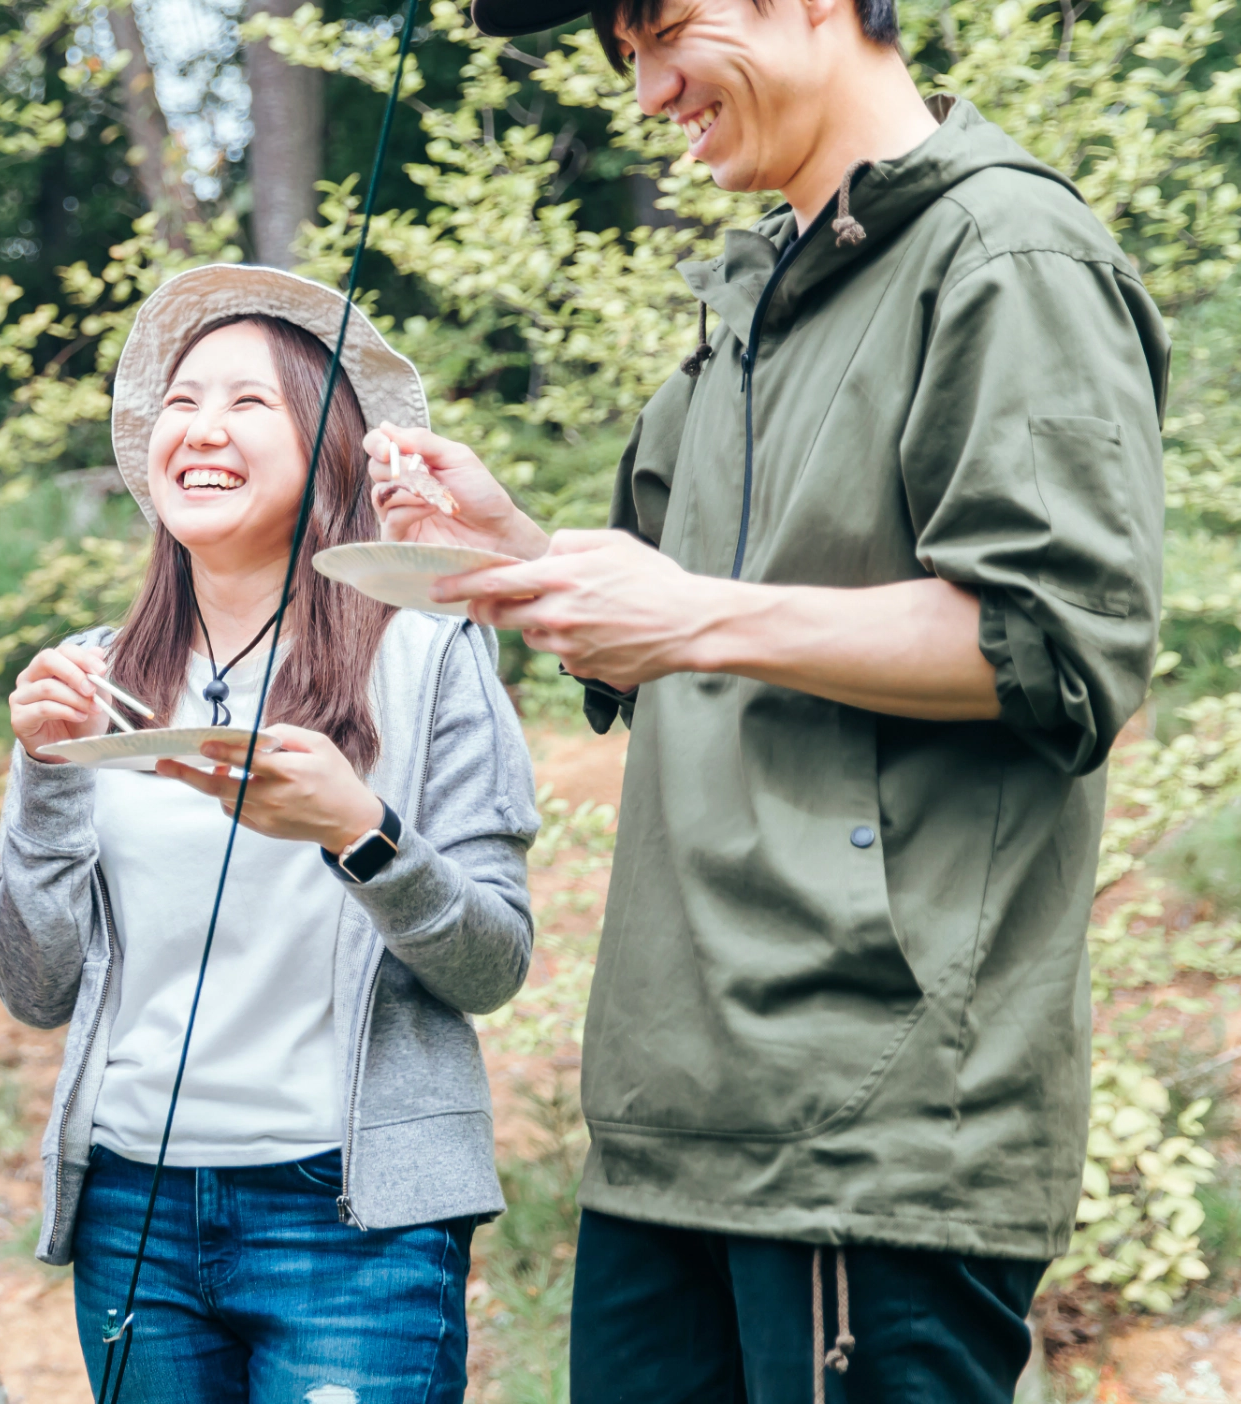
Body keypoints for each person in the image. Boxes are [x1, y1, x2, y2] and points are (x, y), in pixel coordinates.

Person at [384, 2, 1171, 1399]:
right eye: (624, 52)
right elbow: (671, 641)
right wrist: (513, 555)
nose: (647, 90)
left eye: (666, 30)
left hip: (864, 1126)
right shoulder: (748, 309)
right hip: (671, 1115)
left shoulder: (1009, 252)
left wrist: (691, 614)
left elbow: (1058, 643)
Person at [0, 265, 538, 1404]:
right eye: (180, 403)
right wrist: (44, 774)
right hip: (137, 1212)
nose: (200, 428)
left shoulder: (428, 658)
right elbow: (36, 989)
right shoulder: (97, 681)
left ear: (331, 449)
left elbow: (495, 962)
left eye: (250, 403)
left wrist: (362, 833)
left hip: (355, 1220)